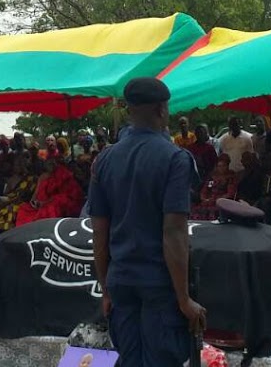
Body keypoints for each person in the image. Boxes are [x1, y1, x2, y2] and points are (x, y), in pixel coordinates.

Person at [90, 77, 205, 365]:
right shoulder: (175, 158)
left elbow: (99, 233)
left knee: (129, 359)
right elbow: (174, 232)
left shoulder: (104, 159)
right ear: (161, 109)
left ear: (129, 110)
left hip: (121, 281)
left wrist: (105, 289)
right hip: (159, 283)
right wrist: (183, 298)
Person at [15, 156, 84, 226]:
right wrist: (33, 201)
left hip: (51, 202)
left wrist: (44, 203)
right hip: (39, 204)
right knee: (23, 208)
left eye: (53, 162)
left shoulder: (62, 174)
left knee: (52, 207)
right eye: (49, 163)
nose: (51, 164)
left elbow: (60, 196)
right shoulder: (42, 177)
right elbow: (36, 193)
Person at [0, 157, 37, 234]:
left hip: (21, 202)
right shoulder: (12, 179)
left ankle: (9, 232)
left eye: (19, 165)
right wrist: (7, 199)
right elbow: (6, 193)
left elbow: (28, 195)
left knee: (11, 208)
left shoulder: (32, 179)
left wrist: (14, 200)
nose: (17, 167)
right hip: (7, 201)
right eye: (16, 165)